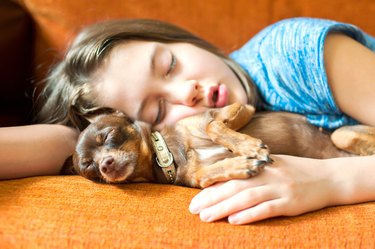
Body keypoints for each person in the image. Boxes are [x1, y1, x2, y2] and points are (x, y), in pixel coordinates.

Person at [6, 17, 375, 224]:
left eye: (169, 65)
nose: (187, 92)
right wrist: (68, 140)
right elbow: (73, 145)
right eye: (158, 112)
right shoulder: (186, 152)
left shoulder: (294, 54)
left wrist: (331, 181)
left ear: (181, 39)